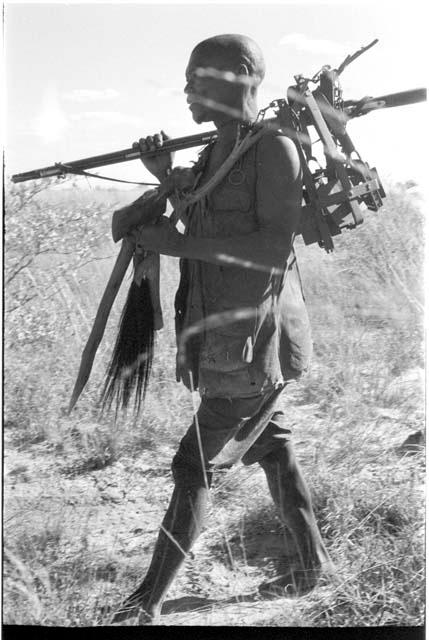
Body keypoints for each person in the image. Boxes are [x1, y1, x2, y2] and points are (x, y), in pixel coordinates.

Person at [112, 33, 333, 624]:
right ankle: (314, 567)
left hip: (257, 342)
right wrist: (164, 175)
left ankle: (147, 601)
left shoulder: (274, 150)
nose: (187, 90)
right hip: (222, 337)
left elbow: (267, 250)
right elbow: (201, 209)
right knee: (275, 450)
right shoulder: (216, 154)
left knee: (194, 466)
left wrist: (175, 243)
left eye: (199, 76)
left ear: (239, 75)